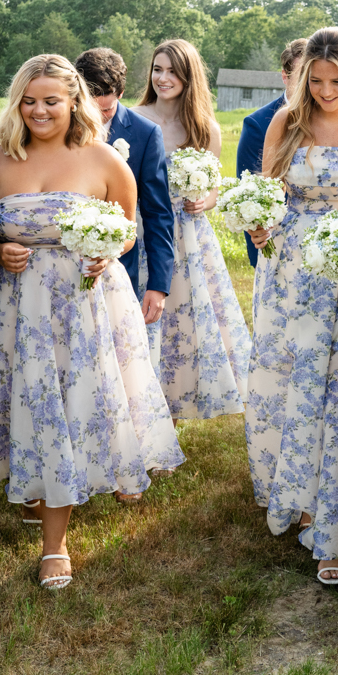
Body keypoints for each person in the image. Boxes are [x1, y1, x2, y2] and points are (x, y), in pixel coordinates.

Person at [0, 55, 184, 589]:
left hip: (82, 303)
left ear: (73, 101)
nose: (38, 111)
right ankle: (31, 488)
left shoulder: (104, 160)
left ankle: (56, 545)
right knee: (21, 401)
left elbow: (127, 230)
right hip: (13, 307)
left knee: (65, 409)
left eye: (50, 100)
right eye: (28, 101)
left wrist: (106, 250)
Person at [245, 27, 338, 585]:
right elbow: (266, 188)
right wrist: (257, 221)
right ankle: (302, 500)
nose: (326, 91)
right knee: (293, 381)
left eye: (337, 81)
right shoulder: (287, 121)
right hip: (292, 269)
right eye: (316, 80)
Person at [136, 39, 250, 422]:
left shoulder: (205, 128)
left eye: (172, 71)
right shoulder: (134, 119)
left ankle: (172, 406)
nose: (163, 78)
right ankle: (138, 400)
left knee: (183, 321)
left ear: (188, 77)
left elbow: (214, 188)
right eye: (157, 69)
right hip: (144, 227)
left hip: (188, 236)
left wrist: (206, 201)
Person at [74, 48, 174, 327]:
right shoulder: (57, 125)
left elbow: (158, 214)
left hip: (119, 267)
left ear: (120, 94)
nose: (97, 117)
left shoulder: (145, 134)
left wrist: (158, 285)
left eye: (105, 110)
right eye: (89, 107)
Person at [236, 39, 307, 270]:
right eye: (301, 74)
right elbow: (250, 194)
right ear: (284, 77)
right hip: (277, 244)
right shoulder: (258, 123)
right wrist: (260, 257)